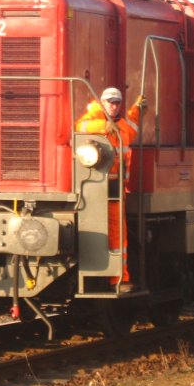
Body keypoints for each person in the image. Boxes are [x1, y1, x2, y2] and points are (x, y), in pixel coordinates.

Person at [76, 87, 145, 293]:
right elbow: (81, 126)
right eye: (110, 102)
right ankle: (111, 276)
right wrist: (104, 126)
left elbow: (130, 129)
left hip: (115, 189)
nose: (113, 106)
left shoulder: (122, 125)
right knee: (109, 233)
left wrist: (137, 111)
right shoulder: (93, 118)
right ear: (102, 102)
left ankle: (119, 278)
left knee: (118, 235)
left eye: (117, 103)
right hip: (95, 187)